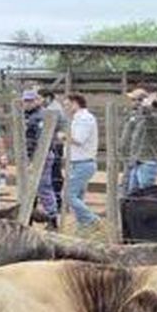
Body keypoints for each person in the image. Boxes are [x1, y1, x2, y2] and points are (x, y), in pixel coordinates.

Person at [21, 88, 59, 219]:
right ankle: (30, 213)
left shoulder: (41, 116)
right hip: (29, 156)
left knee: (43, 185)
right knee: (30, 186)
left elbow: (41, 140)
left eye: (30, 100)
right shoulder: (24, 115)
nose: (27, 103)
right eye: (25, 100)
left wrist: (34, 160)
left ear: (37, 101)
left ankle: (52, 215)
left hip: (41, 155)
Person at [64, 92, 100, 231]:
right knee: (77, 195)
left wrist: (63, 136)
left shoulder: (84, 119)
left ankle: (92, 220)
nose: (66, 108)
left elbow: (79, 139)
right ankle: (83, 225)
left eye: (67, 105)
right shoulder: (79, 118)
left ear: (75, 103)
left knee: (68, 195)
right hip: (80, 162)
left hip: (82, 162)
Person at [119, 87, 157, 194]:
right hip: (134, 159)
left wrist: (147, 105)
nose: (133, 103)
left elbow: (148, 114)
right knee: (131, 192)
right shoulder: (134, 117)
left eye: (136, 100)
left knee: (145, 193)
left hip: (147, 160)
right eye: (133, 100)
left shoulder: (152, 119)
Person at [40, 86, 66, 208]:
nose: (39, 101)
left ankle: (56, 199)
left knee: (54, 172)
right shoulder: (53, 107)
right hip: (55, 142)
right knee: (54, 172)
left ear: (47, 98)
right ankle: (56, 199)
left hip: (54, 144)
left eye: (40, 98)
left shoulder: (52, 109)